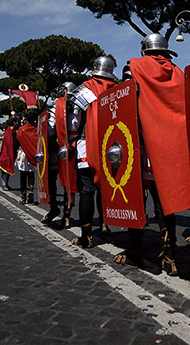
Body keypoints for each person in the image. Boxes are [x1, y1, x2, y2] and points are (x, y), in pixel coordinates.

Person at [115, 33, 190, 276]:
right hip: (168, 146)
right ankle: (170, 255)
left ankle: (136, 251)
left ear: (144, 50)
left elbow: (124, 103)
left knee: (136, 199)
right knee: (164, 202)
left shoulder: (133, 67)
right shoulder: (178, 72)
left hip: (141, 145)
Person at [69, 56, 117, 248]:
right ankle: (105, 224)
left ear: (95, 67)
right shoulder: (119, 88)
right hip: (114, 147)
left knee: (87, 189)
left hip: (86, 144)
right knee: (105, 188)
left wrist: (71, 141)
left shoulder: (84, 89)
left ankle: (86, 235)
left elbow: (74, 121)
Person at [41, 82, 76, 226]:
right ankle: (63, 213)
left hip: (63, 150)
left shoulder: (56, 108)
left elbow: (49, 130)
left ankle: (57, 209)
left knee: (64, 183)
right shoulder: (79, 108)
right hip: (70, 149)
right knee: (66, 183)